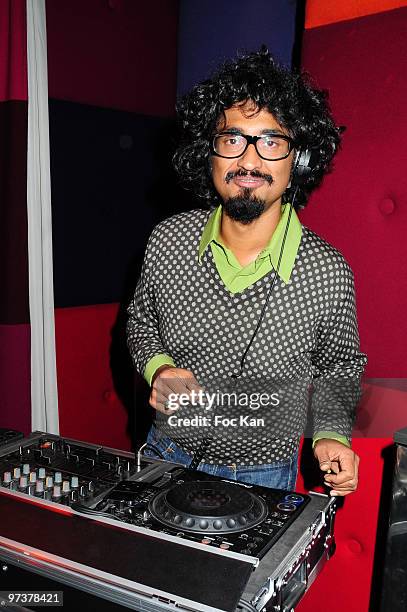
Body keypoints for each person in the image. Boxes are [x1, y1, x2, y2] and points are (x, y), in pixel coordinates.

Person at [127, 47, 367, 496]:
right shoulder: (167, 240)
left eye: (271, 141)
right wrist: (158, 369)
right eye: (232, 139)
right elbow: (141, 324)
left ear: (298, 163)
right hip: (165, 453)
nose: (250, 161)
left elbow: (340, 366)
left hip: (261, 476)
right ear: (210, 155)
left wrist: (331, 434)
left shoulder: (327, 271)